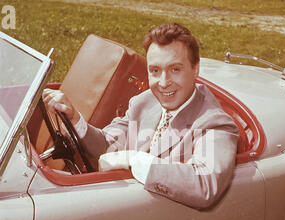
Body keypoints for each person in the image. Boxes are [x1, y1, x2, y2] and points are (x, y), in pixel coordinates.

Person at [42, 22, 239, 209]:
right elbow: (108, 144)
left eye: (175, 69)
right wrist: (75, 118)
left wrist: (134, 159)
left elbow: (205, 184)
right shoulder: (143, 102)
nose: (163, 82)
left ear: (195, 69)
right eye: (155, 70)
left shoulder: (214, 122)